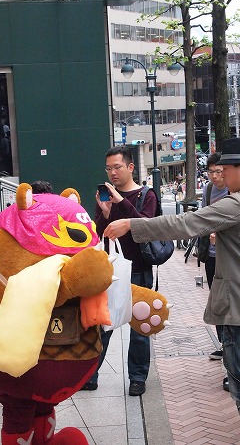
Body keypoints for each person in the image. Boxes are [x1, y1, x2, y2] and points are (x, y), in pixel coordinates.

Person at [104, 138, 240, 444]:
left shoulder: (238, 204)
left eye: (225, 170)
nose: (220, 177)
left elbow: (185, 223)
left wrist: (131, 225)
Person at [82, 146, 158, 396]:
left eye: (117, 167)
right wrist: (105, 213)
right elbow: (99, 232)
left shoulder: (147, 194)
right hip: (112, 269)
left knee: (139, 329)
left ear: (130, 167)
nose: (112, 172)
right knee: (103, 324)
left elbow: (143, 226)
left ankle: (137, 377)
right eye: (108, 168)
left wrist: (121, 202)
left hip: (139, 269)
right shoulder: (105, 196)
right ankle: (90, 375)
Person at [202, 153, 229, 390]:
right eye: (212, 172)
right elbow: (203, 218)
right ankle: (223, 344)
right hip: (212, 256)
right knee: (216, 299)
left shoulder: (235, 190)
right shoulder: (209, 190)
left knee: (228, 301)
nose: (216, 176)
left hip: (229, 257)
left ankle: (229, 347)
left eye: (220, 171)